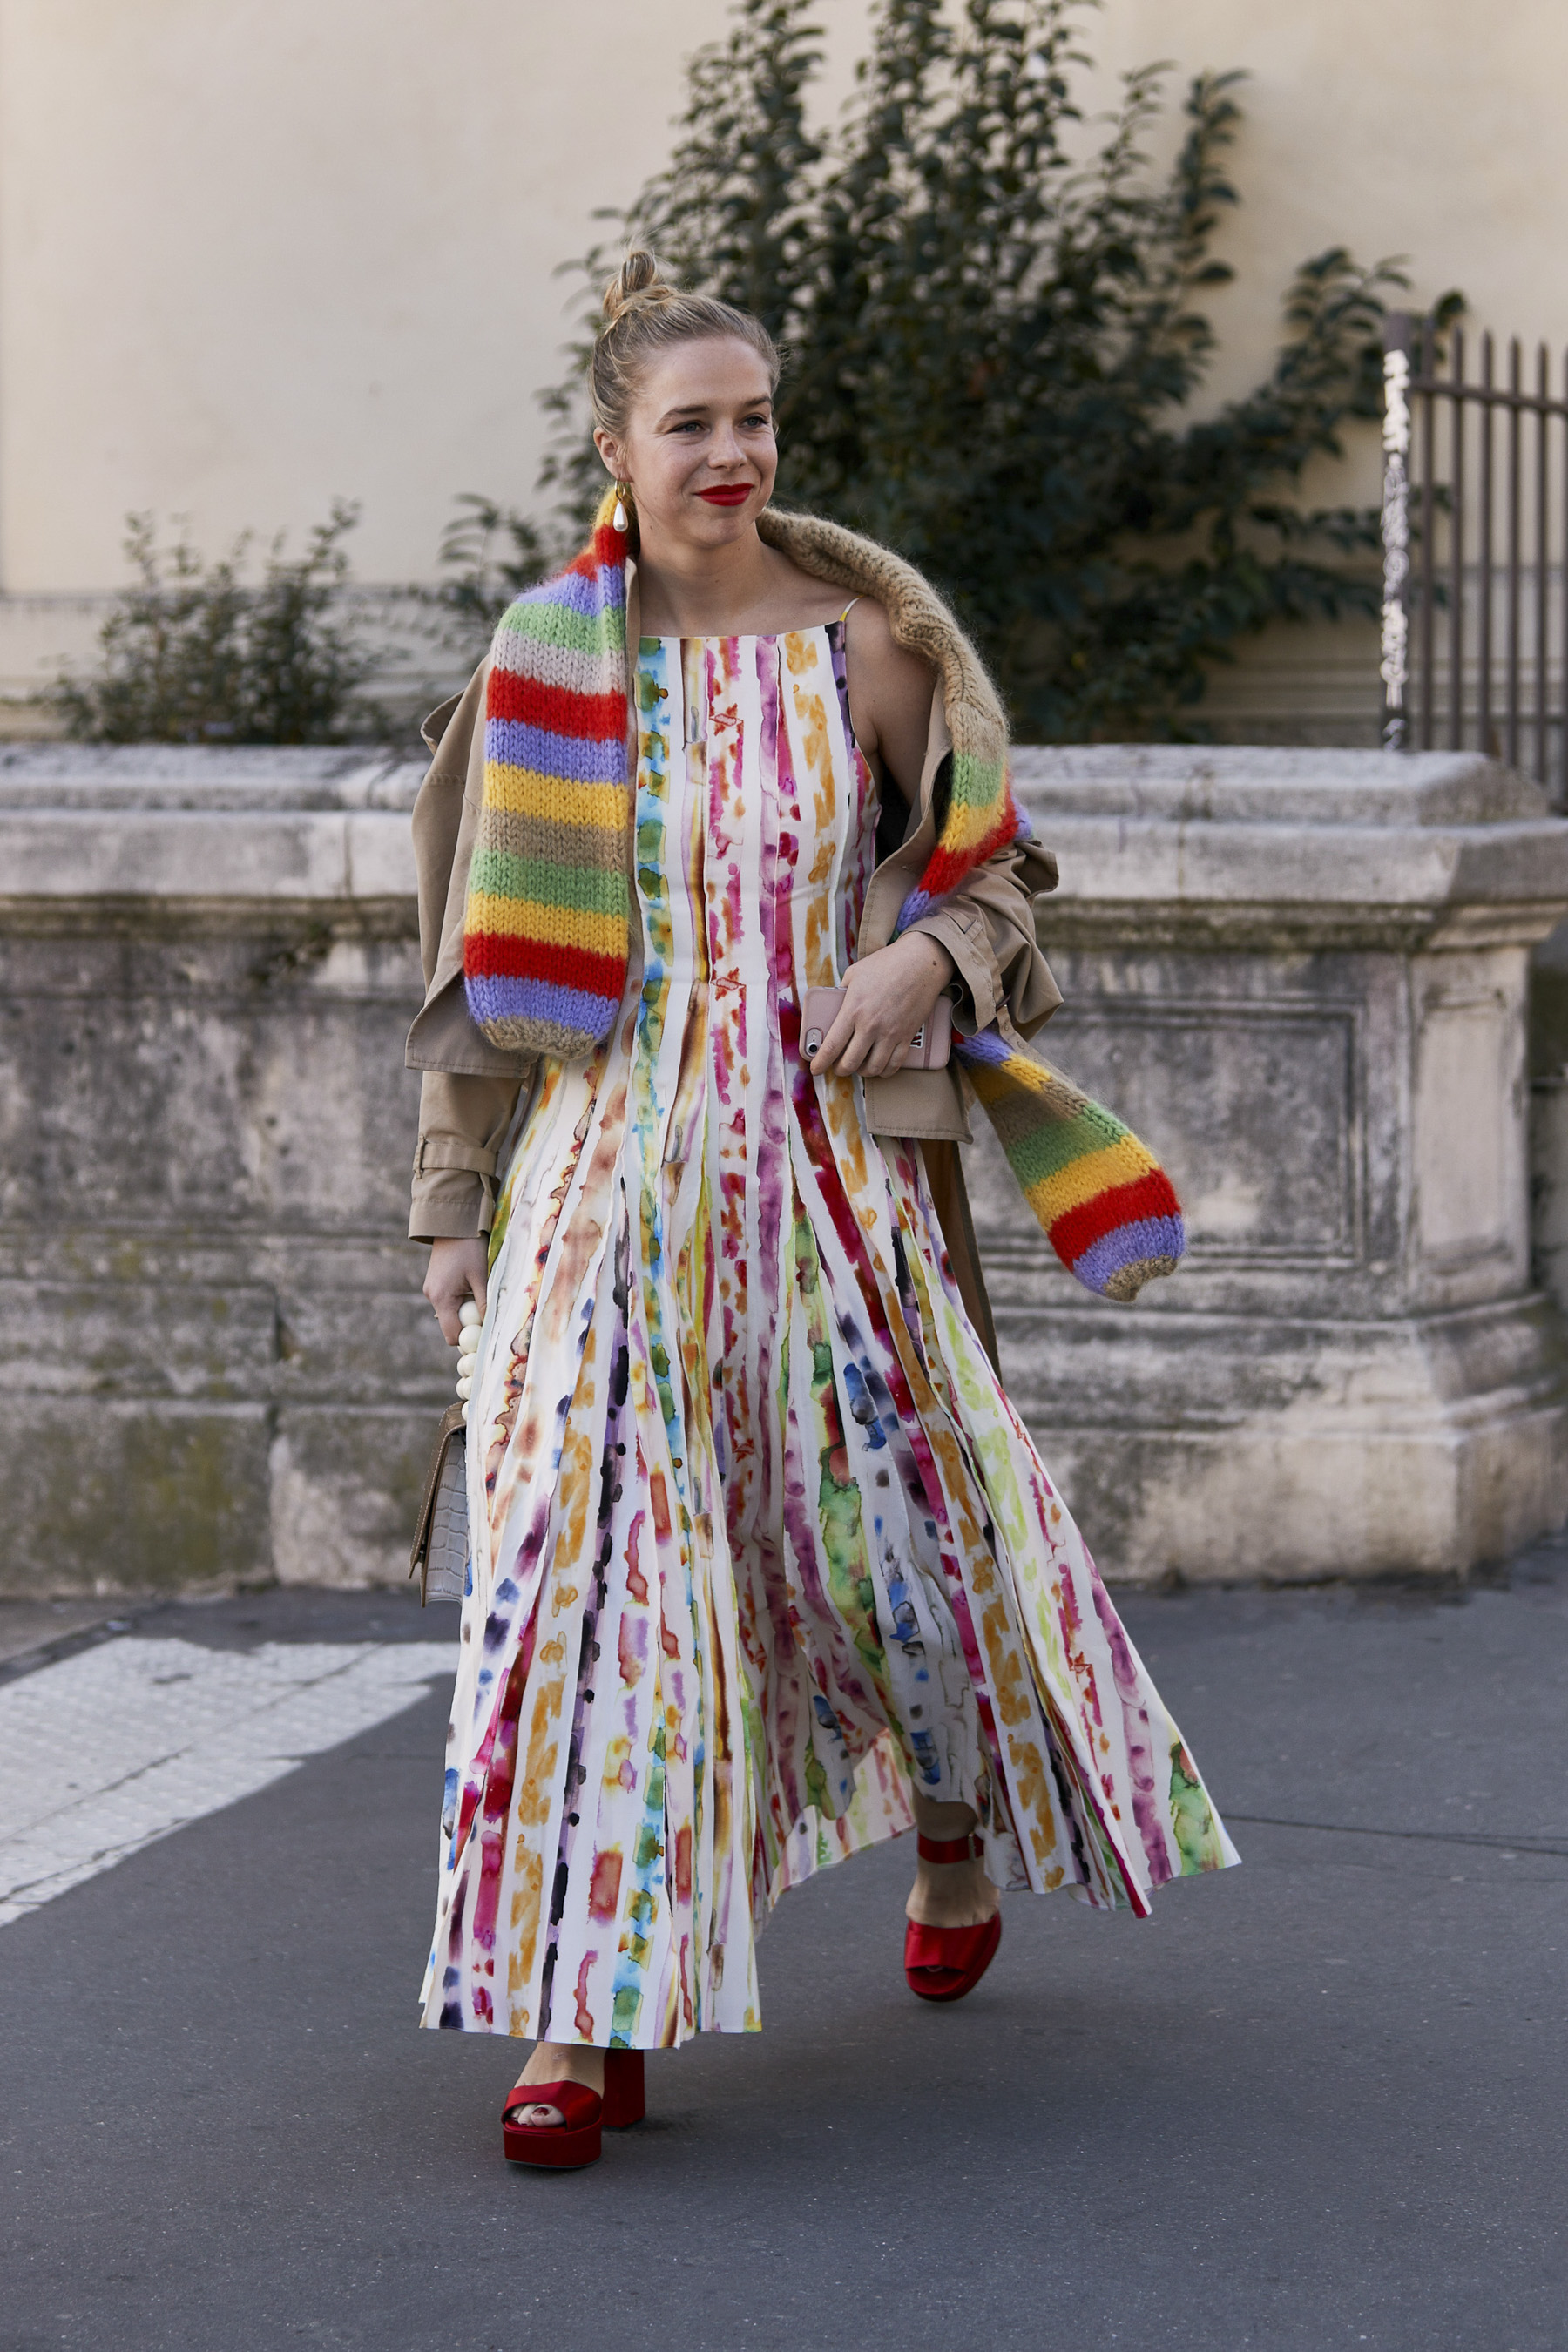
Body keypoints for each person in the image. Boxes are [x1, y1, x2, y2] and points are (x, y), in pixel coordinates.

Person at [406, 249, 1238, 2172]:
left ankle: (947, 1829)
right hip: (605, 1182)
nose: (729, 452)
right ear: (612, 444)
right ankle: (578, 2014)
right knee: (585, 1585)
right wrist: (456, 1204)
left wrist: (930, 957)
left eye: (753, 418)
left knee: (891, 1552)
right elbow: (466, 966)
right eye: (687, 421)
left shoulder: (874, 647)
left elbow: (1012, 875)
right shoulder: (547, 661)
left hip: (835, 1175)